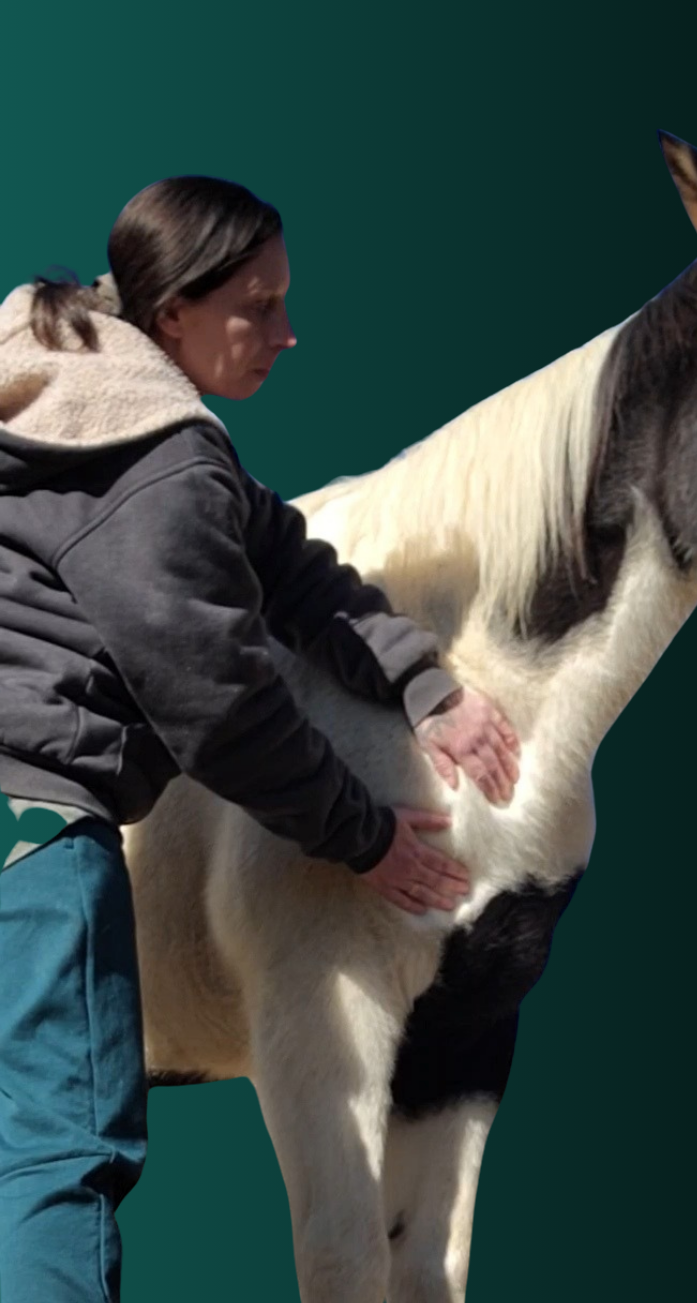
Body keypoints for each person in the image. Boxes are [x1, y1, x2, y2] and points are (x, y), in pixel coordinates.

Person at [0, 175, 520, 1302]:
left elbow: (285, 563)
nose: (289, 330)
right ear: (174, 310)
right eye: (258, 304)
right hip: (32, 837)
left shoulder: (62, 381)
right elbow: (221, 702)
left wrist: (425, 683)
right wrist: (365, 838)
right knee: (56, 1156)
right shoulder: (158, 461)